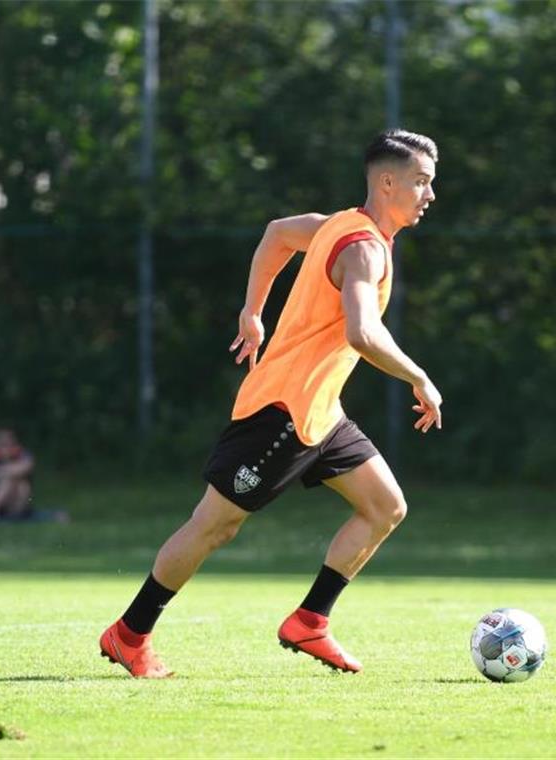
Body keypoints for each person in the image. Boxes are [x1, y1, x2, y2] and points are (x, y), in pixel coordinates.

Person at [99, 129, 442, 678]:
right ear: (387, 181)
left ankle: (310, 621)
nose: (429, 195)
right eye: (421, 182)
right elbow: (362, 332)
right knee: (214, 526)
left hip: (320, 414)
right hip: (282, 411)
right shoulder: (362, 249)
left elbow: (278, 233)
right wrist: (419, 377)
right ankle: (129, 634)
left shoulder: (340, 225)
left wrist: (253, 310)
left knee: (385, 506)